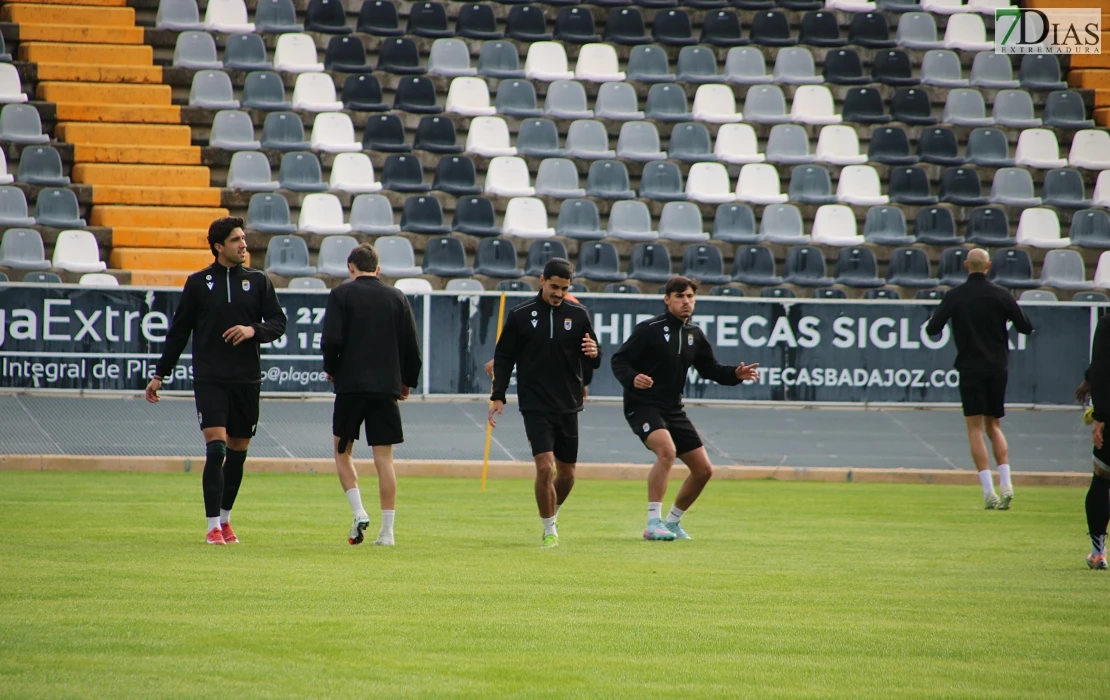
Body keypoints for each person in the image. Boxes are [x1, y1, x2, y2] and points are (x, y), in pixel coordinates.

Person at [146, 217, 287, 545]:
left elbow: (279, 322)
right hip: (210, 378)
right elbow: (179, 331)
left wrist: (254, 330)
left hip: (247, 380)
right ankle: (211, 526)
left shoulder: (259, 281)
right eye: (236, 240)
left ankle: (225, 520)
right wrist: (160, 374)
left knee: (238, 450)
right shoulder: (198, 283)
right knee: (217, 447)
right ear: (218, 246)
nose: (244, 245)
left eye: (244, 239)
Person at [610, 276, 759, 541]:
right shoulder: (649, 329)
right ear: (667, 299)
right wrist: (633, 378)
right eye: (679, 296)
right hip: (642, 405)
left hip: (673, 410)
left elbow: (711, 369)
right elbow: (619, 360)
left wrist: (736, 374)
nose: (685, 301)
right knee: (667, 451)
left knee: (704, 470)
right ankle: (652, 522)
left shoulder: (694, 335)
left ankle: (672, 523)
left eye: (690, 296)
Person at [488, 258, 600, 548]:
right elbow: (503, 357)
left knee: (567, 475)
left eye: (564, 288)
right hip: (535, 403)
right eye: (554, 286)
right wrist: (498, 394)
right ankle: (549, 529)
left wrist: (593, 353)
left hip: (569, 404)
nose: (559, 293)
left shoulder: (579, 314)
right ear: (542, 280)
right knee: (543, 467)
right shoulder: (521, 314)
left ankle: (552, 512)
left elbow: (593, 359)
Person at [321, 243, 421, 547]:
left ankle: (359, 511)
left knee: (342, 452)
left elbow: (331, 339)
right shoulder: (397, 296)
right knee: (384, 460)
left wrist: (332, 369)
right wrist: (406, 382)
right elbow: (411, 348)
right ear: (378, 269)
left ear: (351, 268)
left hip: (350, 386)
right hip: (385, 388)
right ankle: (387, 532)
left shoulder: (341, 294)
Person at [925, 248, 1033, 510]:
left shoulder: (955, 296)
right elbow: (1026, 327)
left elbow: (932, 328)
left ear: (966, 265)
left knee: (974, 428)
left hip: (970, 367)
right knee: (994, 425)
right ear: (988, 266)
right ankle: (1006, 482)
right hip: (997, 366)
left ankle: (988, 491)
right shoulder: (1001, 295)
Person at [1077, 311, 1110, 569]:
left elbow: (1101, 366)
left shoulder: (1107, 323)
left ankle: (1098, 551)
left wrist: (1099, 415)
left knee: (1102, 476)